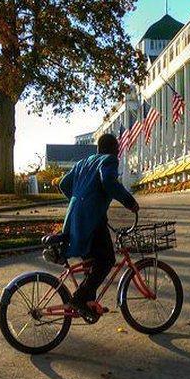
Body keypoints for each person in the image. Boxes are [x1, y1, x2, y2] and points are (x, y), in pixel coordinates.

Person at [58, 133, 139, 321]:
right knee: (106, 260)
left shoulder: (82, 163)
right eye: (118, 150)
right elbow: (109, 182)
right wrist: (129, 202)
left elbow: (64, 184)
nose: (118, 153)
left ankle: (87, 306)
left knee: (91, 264)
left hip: (76, 217)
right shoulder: (109, 160)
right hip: (90, 219)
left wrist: (79, 198)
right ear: (115, 149)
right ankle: (79, 299)